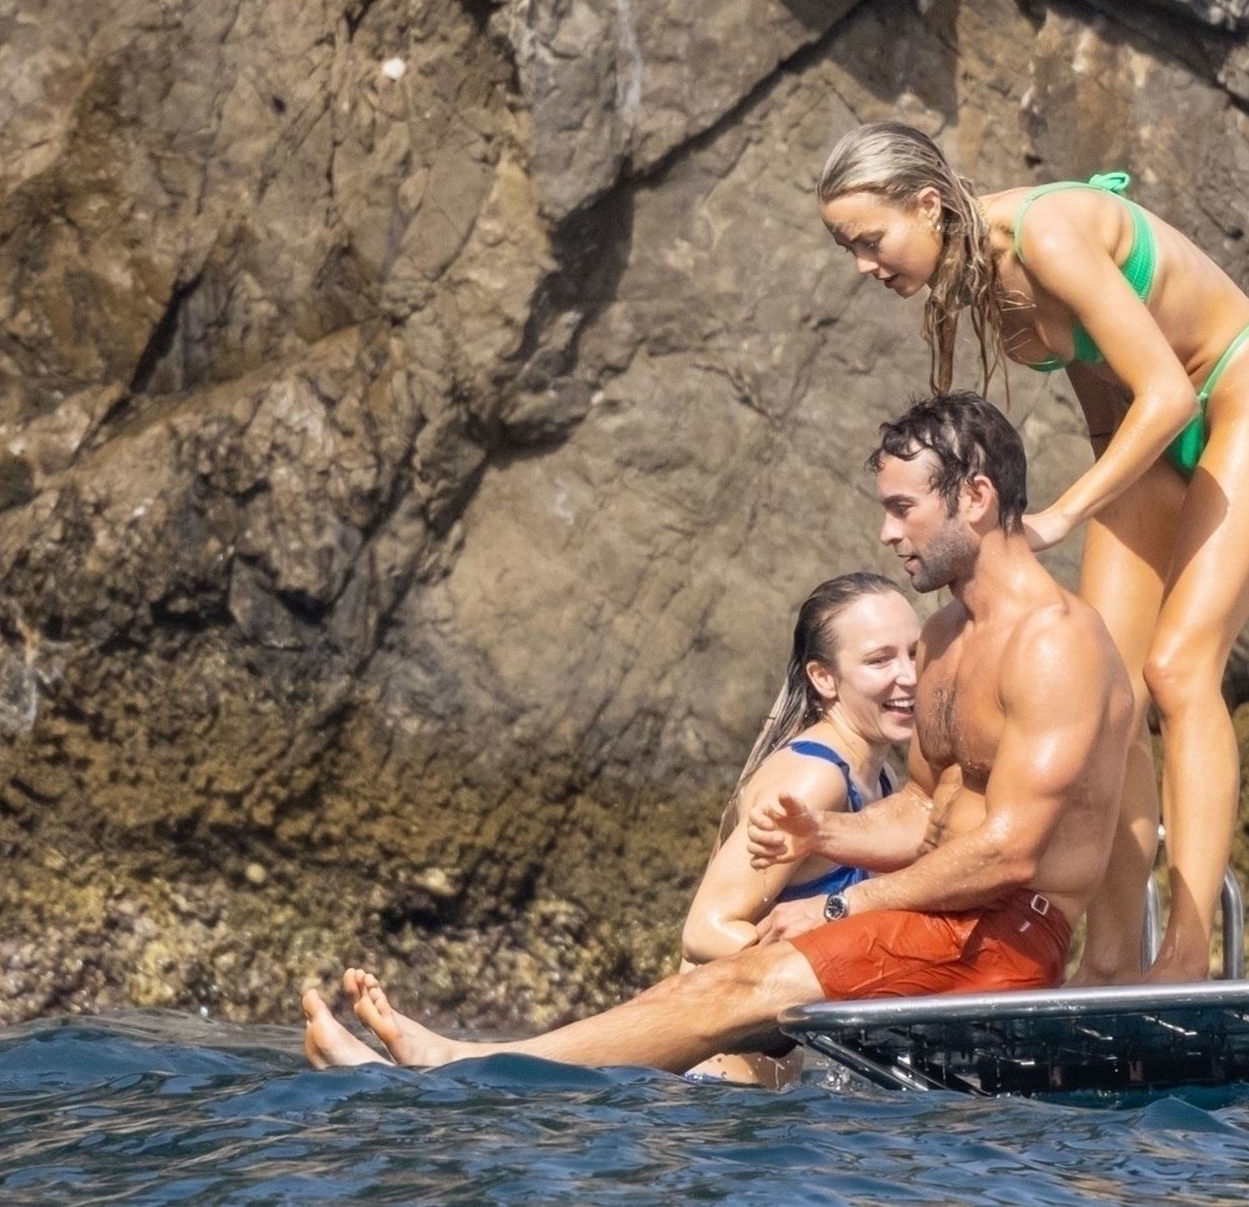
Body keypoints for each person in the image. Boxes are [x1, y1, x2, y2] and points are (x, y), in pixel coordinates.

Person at [300, 393, 1135, 1074]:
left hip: (1002, 936)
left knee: (741, 985)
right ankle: (463, 1063)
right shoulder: (948, 636)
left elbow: (1008, 850)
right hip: (939, 917)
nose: (888, 534)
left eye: (903, 509)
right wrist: (826, 832)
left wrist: (839, 901)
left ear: (975, 497)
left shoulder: (1053, 642)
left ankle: (459, 1069)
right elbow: (923, 809)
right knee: (713, 982)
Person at [817, 122, 1249, 984]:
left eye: (870, 239)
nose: (863, 264)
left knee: (1179, 669)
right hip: (1141, 438)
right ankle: (1114, 956)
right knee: (1109, 694)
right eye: (847, 248)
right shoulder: (979, 284)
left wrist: (1060, 517)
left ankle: (1186, 950)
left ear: (927, 206)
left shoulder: (1045, 234)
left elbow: (1167, 392)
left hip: (1237, 393)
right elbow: (1107, 398)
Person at [679, 571, 917, 1084]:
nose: (910, 676)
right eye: (880, 660)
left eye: (916, 654)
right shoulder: (814, 778)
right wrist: (830, 974)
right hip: (713, 1089)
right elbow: (704, 930)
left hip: (769, 1096)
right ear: (824, 678)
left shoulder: (883, 778)